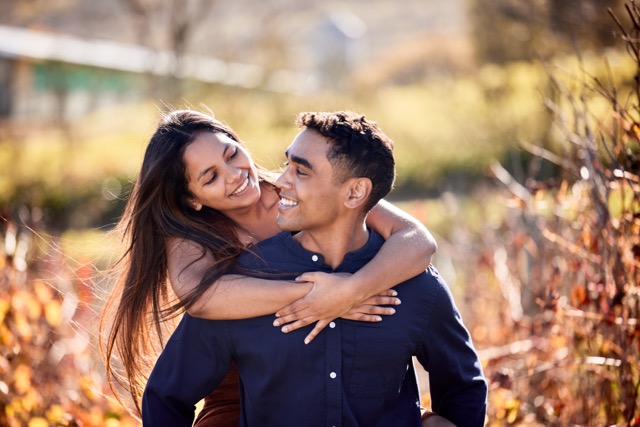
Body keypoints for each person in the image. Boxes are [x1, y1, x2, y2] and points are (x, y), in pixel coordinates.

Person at [142, 111, 488, 426]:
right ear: (192, 198)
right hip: (242, 398)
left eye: (231, 154)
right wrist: (319, 294)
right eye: (211, 177)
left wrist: (351, 288)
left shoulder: (316, 192)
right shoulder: (196, 243)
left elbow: (415, 238)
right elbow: (200, 299)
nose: (234, 175)